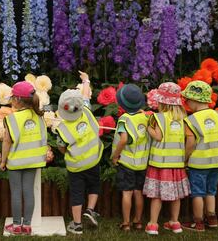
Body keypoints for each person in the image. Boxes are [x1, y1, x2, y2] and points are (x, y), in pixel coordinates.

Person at [55, 71, 104, 235]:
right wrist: (86, 81)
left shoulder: (62, 128)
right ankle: (90, 210)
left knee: (77, 192)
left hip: (76, 165)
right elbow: (85, 97)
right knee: (94, 185)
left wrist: (68, 153)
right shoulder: (87, 111)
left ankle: (77, 224)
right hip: (93, 159)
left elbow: (61, 146)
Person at [181, 81, 218, 232]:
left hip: (199, 163)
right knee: (211, 191)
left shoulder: (191, 120)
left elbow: (190, 143)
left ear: (194, 100)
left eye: (187, 99)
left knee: (197, 192)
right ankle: (212, 219)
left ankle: (198, 222)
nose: (186, 102)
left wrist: (184, 158)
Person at [0, 81, 48, 236]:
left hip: (16, 161)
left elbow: (7, 141)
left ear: (17, 100)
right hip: (34, 160)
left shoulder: (12, 119)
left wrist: (2, 161)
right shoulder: (39, 116)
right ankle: (27, 226)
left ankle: (16, 225)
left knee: (16, 192)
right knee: (29, 191)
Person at [143, 83, 191, 235]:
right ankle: (175, 223)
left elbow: (157, 136)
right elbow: (187, 139)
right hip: (176, 163)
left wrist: (147, 125)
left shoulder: (157, 117)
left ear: (162, 102)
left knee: (157, 195)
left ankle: (152, 225)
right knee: (176, 195)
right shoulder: (183, 118)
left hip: (159, 164)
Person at [111, 84, 149, 231]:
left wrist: (115, 156)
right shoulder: (144, 117)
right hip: (142, 162)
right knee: (138, 192)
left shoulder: (124, 120)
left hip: (126, 162)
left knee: (127, 193)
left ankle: (126, 223)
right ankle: (138, 221)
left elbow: (123, 139)